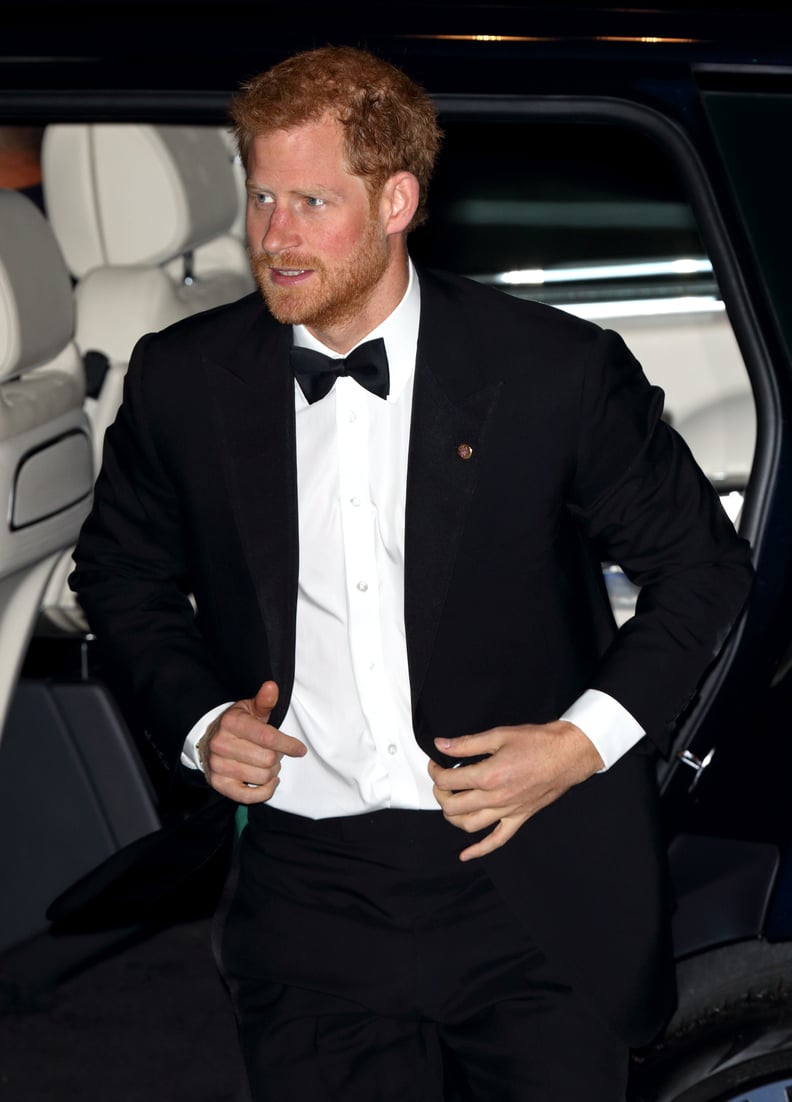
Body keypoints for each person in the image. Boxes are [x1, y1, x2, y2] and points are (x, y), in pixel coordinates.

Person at [70, 45, 753, 1101]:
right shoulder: (186, 379)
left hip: (527, 879)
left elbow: (702, 569)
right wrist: (203, 719)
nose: (273, 236)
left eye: (309, 200)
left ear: (397, 200)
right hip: (309, 895)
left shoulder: (552, 371)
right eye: (260, 197)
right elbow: (119, 575)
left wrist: (581, 744)